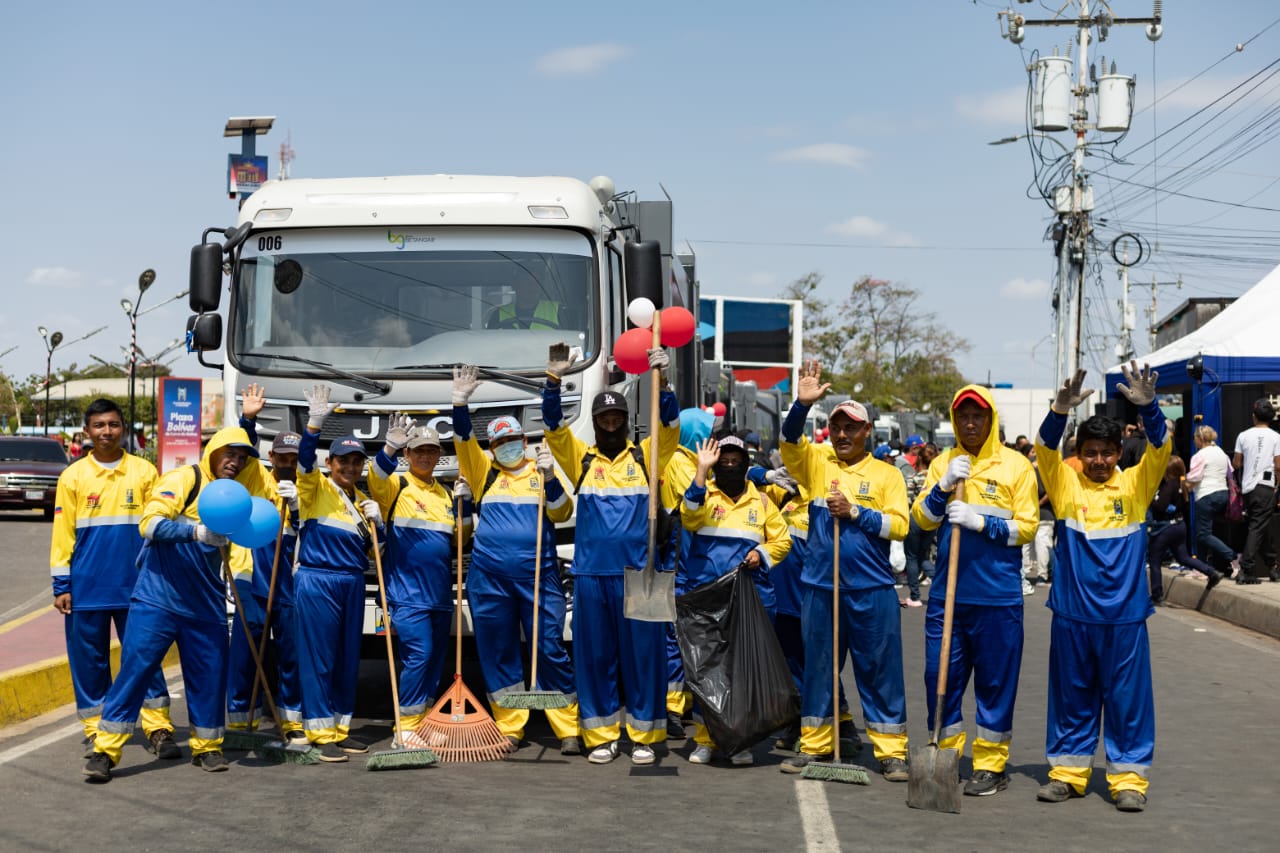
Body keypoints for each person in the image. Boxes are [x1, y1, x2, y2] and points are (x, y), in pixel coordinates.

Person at [82, 426, 267, 782]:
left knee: (210, 677)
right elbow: (149, 524)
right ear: (212, 451)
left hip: (206, 604)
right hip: (158, 599)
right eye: (230, 453)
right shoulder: (187, 479)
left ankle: (207, 747)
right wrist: (194, 532)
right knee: (135, 673)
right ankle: (105, 750)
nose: (236, 461)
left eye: (242, 457)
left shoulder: (237, 495)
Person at [1034, 362, 1169, 812]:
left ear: (1117, 453)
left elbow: (1161, 449)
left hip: (1125, 619)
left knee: (1128, 703)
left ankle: (1128, 779)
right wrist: (1058, 410)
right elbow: (1044, 449)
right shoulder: (1065, 485)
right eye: (1089, 452)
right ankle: (1067, 774)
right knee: (1072, 699)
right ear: (1081, 454)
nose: (1097, 461)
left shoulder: (1135, 487)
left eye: (1106, 453)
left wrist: (1149, 408)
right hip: (1073, 617)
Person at [541, 343, 680, 765]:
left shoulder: (647, 456)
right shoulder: (582, 459)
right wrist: (552, 382)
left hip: (642, 574)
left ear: (626, 421)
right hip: (590, 576)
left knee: (645, 657)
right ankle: (600, 735)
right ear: (597, 424)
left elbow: (670, 428)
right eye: (604, 419)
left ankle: (644, 736)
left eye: (617, 418)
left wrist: (667, 383)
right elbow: (554, 428)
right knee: (595, 656)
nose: (611, 424)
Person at [778, 361, 911, 782]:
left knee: (879, 671)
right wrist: (801, 405)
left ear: (867, 431)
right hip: (820, 586)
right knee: (818, 668)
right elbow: (788, 443)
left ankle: (891, 752)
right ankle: (815, 744)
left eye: (851, 428)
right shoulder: (817, 462)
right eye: (836, 427)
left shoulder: (888, 475)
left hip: (871, 589)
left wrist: (857, 514)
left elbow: (900, 526)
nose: (842, 435)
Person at [912, 385, 1038, 796]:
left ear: (990, 419)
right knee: (937, 677)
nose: (970, 423)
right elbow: (923, 521)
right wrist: (943, 485)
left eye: (977, 416)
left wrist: (984, 524)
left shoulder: (1016, 466)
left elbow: (1028, 527)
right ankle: (944, 756)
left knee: (994, 685)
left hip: (997, 597)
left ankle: (990, 765)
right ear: (954, 419)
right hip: (947, 598)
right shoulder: (944, 463)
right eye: (963, 416)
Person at [451, 367, 579, 753]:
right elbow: (462, 438)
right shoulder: (483, 472)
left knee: (549, 648)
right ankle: (511, 726)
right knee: (498, 649)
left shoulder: (541, 472)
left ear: (524, 440)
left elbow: (560, 513)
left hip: (537, 576)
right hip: (489, 580)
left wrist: (552, 477)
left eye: (513, 439)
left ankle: (566, 727)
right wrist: (460, 403)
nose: (507, 446)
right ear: (492, 448)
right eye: (500, 442)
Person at [51, 399, 176, 761]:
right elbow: (63, 534)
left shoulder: (145, 472)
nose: (107, 432)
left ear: (124, 428)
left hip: (139, 588)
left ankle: (159, 728)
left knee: (145, 659)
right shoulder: (72, 477)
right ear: (87, 431)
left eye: (113, 425)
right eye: (99, 425)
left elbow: (160, 527)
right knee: (89, 665)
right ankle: (96, 729)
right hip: (86, 588)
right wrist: (62, 586)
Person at [681, 435, 791, 765]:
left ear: (746, 463)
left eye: (735, 460)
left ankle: (739, 741)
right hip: (708, 599)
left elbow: (782, 540)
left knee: (742, 671)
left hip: (751, 599)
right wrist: (701, 473)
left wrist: (761, 554)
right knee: (707, 670)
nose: (729, 465)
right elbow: (688, 517)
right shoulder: (703, 494)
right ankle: (705, 739)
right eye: (723, 460)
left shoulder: (762, 501)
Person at [365, 416, 469, 739]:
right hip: (406, 595)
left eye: (431, 452)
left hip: (440, 596)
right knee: (419, 655)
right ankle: (405, 728)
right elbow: (376, 478)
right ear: (408, 456)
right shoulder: (398, 486)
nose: (425, 457)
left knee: (435, 661)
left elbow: (459, 539)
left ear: (439, 457)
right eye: (418, 451)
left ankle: (422, 722)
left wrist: (466, 506)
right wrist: (388, 448)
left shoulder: (445, 495)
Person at [294, 385, 380, 762]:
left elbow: (378, 550)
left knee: (348, 658)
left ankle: (341, 728)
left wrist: (381, 525)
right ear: (331, 463)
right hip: (317, 580)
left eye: (356, 462)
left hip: (352, 581)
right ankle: (319, 731)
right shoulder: (315, 489)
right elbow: (302, 463)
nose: (350, 468)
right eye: (343, 461)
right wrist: (314, 425)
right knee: (320, 658)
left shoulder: (363, 502)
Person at [225, 384, 304, 741]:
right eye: (282, 457)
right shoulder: (256, 477)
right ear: (272, 456)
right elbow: (244, 452)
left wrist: (298, 508)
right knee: (246, 651)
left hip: (288, 580)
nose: (287, 462)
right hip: (250, 574)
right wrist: (248, 419)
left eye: (293, 457)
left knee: (290, 653)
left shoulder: (308, 486)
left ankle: (290, 717)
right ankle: (242, 718)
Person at [660, 407, 717, 739]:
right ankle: (673, 708)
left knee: (683, 636)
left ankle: (680, 705)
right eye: (709, 431)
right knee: (680, 637)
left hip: (687, 559)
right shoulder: (684, 465)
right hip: (684, 560)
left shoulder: (687, 462)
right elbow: (702, 504)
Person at [1147, 455, 1221, 601]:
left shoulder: (1169, 485)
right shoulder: (1182, 485)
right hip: (1180, 526)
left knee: (1154, 559)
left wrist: (1150, 500)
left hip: (1165, 528)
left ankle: (1156, 594)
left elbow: (1161, 506)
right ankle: (1210, 572)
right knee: (1183, 557)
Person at [1232, 399, 1280, 584]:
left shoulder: (1243, 436)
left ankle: (1272, 565)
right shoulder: (1276, 437)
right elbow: (1278, 465)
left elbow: (1237, 463)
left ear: (1254, 416)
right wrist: (1277, 486)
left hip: (1248, 487)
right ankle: (1246, 568)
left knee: (1260, 525)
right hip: (1266, 486)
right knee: (1257, 527)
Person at [1185, 425, 1236, 577]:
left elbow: (1194, 478)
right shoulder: (1221, 453)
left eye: (1194, 438)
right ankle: (1200, 567)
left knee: (1202, 534)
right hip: (1223, 494)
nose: (1194, 441)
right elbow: (1230, 473)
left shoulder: (1199, 456)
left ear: (1200, 439)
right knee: (1204, 531)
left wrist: (1184, 485)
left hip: (1206, 495)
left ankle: (1232, 557)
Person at [486, 279, 562, 330]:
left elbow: (571, 345)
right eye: (527, 282)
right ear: (515, 286)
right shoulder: (498, 315)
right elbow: (488, 346)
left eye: (536, 282)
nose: (533, 287)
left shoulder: (558, 310)